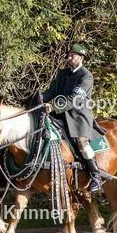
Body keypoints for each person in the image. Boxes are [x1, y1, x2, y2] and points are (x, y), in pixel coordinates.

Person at [42, 43, 106, 193]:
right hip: (59, 115)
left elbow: (74, 98)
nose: (69, 58)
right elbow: (51, 92)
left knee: (81, 142)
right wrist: (37, 99)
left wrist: (54, 106)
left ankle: (95, 175)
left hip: (78, 116)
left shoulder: (86, 76)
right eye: (69, 55)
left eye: (72, 55)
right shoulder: (63, 73)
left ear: (81, 57)